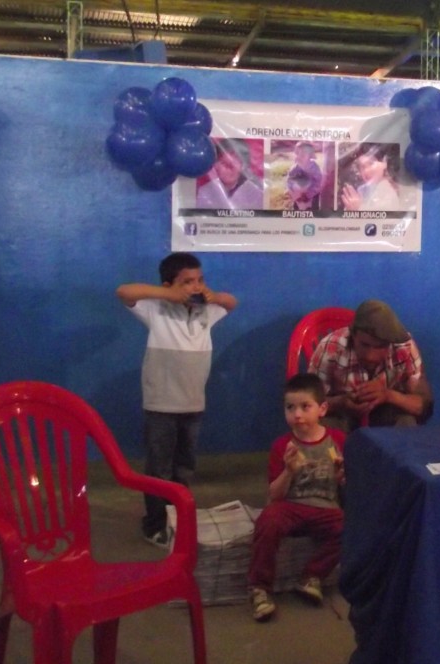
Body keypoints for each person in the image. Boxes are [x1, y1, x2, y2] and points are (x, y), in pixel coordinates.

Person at [116, 252, 237, 547]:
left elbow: (231, 302)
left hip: (193, 405)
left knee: (184, 467)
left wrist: (212, 295)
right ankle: (154, 523)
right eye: (188, 282)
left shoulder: (205, 312)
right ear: (170, 284)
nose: (196, 287)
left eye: (200, 280)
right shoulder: (156, 310)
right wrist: (167, 294)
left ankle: (177, 516)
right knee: (159, 468)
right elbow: (124, 292)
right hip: (161, 405)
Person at [248, 373, 345, 622]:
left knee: (351, 527)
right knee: (268, 520)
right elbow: (274, 494)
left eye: (305, 407)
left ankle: (312, 576)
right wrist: (288, 471)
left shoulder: (339, 441)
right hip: (292, 506)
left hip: (327, 508)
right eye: (290, 408)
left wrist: (344, 477)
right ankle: (260, 587)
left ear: (322, 409)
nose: (297, 414)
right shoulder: (282, 446)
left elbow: (350, 488)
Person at [308, 299, 433, 432]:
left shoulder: (405, 348)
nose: (370, 356)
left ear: (391, 343)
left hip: (387, 414)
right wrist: (342, 402)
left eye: (380, 347)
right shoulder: (330, 348)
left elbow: (423, 406)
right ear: (353, 335)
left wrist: (388, 395)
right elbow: (308, 403)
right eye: (364, 345)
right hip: (341, 415)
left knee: (406, 421)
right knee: (318, 429)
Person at [195, 138, 264, 210]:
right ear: (215, 165)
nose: (231, 169)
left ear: (244, 166)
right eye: (224, 163)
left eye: (236, 162)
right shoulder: (205, 192)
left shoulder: (256, 191)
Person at [340, 143, 401, 212]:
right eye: (362, 166)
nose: (366, 171)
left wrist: (359, 208)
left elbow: (383, 221)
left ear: (384, 163)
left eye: (371, 163)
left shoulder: (389, 194)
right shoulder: (362, 190)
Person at [286, 142, 323, 211]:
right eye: (297, 154)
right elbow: (289, 181)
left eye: (303, 155)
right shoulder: (294, 169)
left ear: (310, 156)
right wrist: (293, 194)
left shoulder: (314, 168)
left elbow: (318, 183)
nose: (299, 157)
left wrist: (308, 194)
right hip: (298, 197)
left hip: (312, 197)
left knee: (312, 212)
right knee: (297, 211)